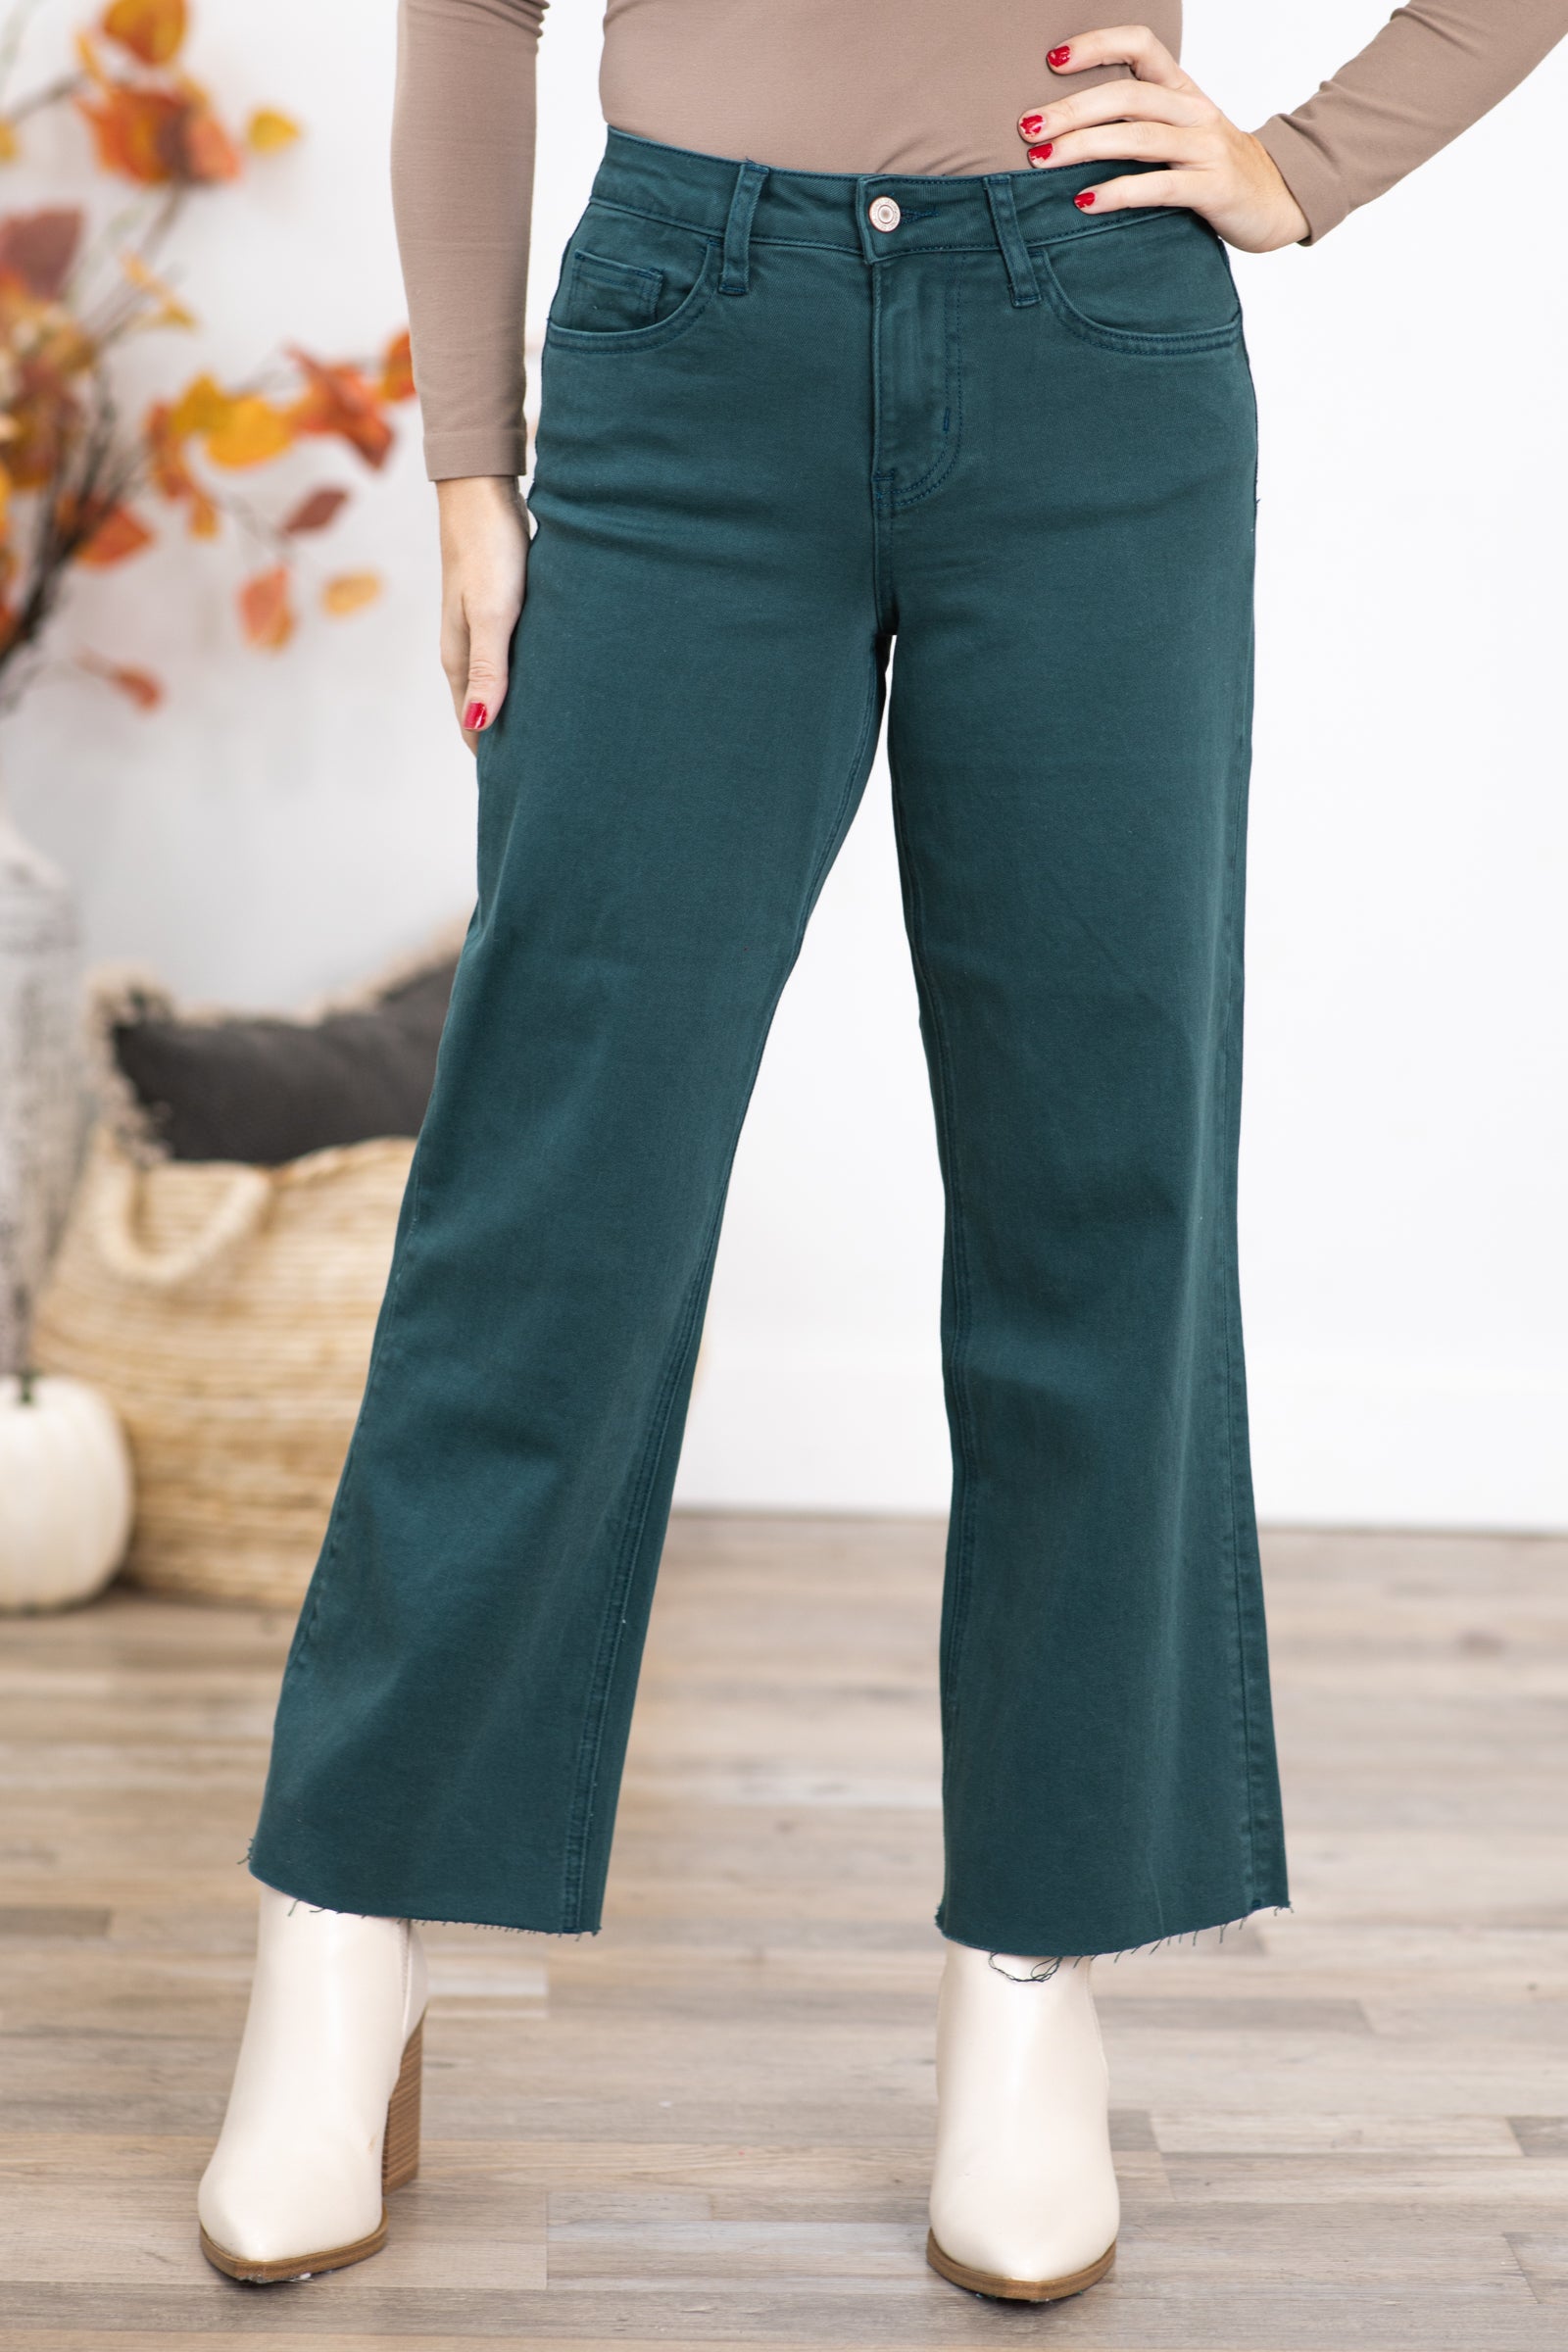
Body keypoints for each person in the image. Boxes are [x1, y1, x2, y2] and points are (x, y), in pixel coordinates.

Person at [196, 0, 1567, 2304]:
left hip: (1092, 345)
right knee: (552, 1188)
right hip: (679, 347)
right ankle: (340, 1927)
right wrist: (465, 461)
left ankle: (1034, 1962)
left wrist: (1310, 161)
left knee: (1094, 1186)